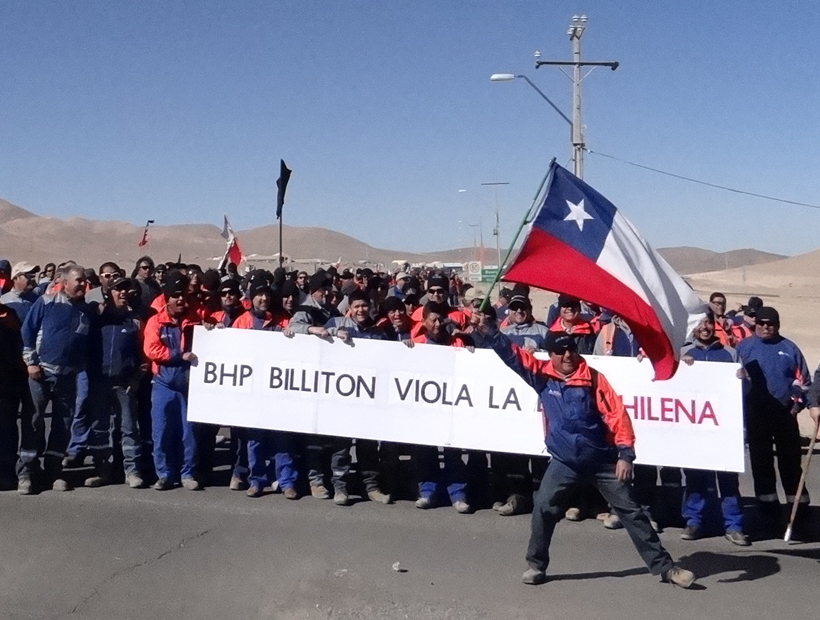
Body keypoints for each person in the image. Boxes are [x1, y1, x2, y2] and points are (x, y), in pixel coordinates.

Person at [482, 326, 695, 588]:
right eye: (561, 351)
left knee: (632, 513)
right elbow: (511, 354)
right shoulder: (541, 375)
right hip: (564, 462)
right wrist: (487, 330)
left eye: (571, 349)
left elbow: (617, 415)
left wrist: (625, 455)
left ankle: (665, 568)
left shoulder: (593, 379)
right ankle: (536, 565)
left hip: (601, 461)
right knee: (543, 508)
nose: (568, 355)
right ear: (550, 354)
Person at [736, 306, 811, 533]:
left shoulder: (789, 348)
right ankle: (767, 508)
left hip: (785, 416)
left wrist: (797, 405)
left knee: (790, 463)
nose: (766, 327)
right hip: (756, 415)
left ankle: (798, 508)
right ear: (755, 324)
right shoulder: (743, 348)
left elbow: (805, 381)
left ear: (778, 325)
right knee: (761, 462)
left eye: (771, 324)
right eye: (762, 323)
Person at [20, 265, 92, 493]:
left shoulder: (86, 311)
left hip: (68, 377)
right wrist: (31, 362)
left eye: (84, 281)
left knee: (63, 424)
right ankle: (26, 473)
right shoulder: (46, 302)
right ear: (65, 282)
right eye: (78, 280)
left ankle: (53, 472)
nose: (82, 284)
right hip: (41, 373)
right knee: (34, 420)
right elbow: (27, 332)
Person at [679, 313, 749, 545]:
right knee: (696, 478)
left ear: (714, 325)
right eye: (700, 324)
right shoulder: (684, 353)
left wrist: (742, 379)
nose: (705, 327)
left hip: (723, 430)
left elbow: (745, 391)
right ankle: (694, 522)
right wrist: (683, 367)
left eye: (708, 323)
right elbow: (672, 386)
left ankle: (734, 525)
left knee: (728, 480)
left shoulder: (729, 353)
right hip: (695, 429)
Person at [323, 290, 395, 506]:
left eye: (364, 306)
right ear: (349, 309)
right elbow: (317, 337)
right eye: (356, 306)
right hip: (343, 397)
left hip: (369, 400)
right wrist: (335, 333)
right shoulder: (337, 325)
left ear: (370, 307)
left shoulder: (379, 333)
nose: (361, 310)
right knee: (341, 446)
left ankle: (371, 487)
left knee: (368, 446)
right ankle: (340, 487)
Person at [233, 278, 297, 499]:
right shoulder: (241, 322)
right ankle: (256, 480)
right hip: (253, 392)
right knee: (255, 439)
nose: (264, 298)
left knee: (282, 438)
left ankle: (287, 481)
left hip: (278, 391)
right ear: (251, 298)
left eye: (267, 295)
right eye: (259, 294)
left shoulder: (282, 321)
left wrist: (292, 335)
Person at [406, 301, 472, 513]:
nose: (437, 324)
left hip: (452, 404)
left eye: (440, 319)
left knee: (452, 450)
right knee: (425, 450)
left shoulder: (457, 343)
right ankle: (428, 491)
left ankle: (457, 494)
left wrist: (470, 351)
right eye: (432, 320)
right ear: (423, 321)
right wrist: (406, 350)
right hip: (425, 407)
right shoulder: (416, 344)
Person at [142, 271, 202, 491]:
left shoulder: (195, 320)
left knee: (189, 433)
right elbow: (151, 349)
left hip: (189, 386)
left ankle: (187, 473)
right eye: (175, 295)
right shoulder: (155, 321)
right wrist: (178, 355)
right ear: (167, 297)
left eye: (183, 295)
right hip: (163, 384)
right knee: (162, 430)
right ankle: (164, 474)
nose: (180, 300)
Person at [84, 276, 145, 489]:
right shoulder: (97, 318)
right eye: (118, 290)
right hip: (99, 381)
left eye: (126, 290)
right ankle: (102, 470)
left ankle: (132, 471)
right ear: (108, 293)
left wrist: (136, 378)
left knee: (128, 428)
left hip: (124, 383)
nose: (123, 293)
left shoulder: (134, 321)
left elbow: (143, 356)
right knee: (99, 428)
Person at [287, 271, 341, 499]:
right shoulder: (305, 311)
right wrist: (311, 329)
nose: (327, 294)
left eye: (329, 290)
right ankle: (314, 480)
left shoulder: (331, 311)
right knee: (313, 437)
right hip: (309, 383)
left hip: (328, 381)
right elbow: (292, 328)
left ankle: (327, 477)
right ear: (313, 291)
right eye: (322, 290)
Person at [0, 299, 26, 489]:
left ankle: (7, 473)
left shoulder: (9, 314)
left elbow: (20, 345)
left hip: (7, 384)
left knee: (7, 428)